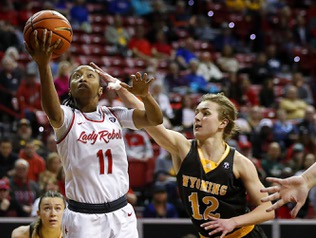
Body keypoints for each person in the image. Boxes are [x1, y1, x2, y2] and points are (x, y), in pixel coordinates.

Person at [25, 29, 163, 238]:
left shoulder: (113, 114)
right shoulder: (68, 118)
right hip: (84, 216)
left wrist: (145, 96)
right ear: (69, 90)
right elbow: (51, 109)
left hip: (121, 212)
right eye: (76, 76)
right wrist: (44, 65)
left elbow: (155, 119)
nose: (82, 78)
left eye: (90, 75)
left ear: (101, 90)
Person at [106, 77, 275, 237]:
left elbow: (268, 208)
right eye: (197, 112)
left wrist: (233, 222)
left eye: (205, 113)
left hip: (243, 235)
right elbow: (151, 120)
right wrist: (122, 88)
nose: (197, 117)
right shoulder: (183, 148)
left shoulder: (240, 162)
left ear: (223, 123)